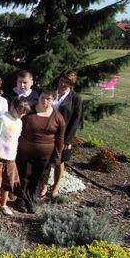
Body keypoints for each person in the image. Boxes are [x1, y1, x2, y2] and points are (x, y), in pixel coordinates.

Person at [16, 90, 65, 213]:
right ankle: (21, 199)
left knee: (38, 177)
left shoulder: (58, 117)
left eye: (48, 99)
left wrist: (57, 156)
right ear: (39, 97)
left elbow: (60, 139)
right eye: (43, 97)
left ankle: (31, 200)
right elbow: (17, 126)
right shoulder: (29, 111)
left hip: (45, 154)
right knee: (24, 175)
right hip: (25, 151)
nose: (45, 101)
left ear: (53, 100)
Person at [47, 70, 83, 199]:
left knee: (59, 161)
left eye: (67, 82)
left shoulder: (75, 98)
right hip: (47, 132)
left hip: (63, 135)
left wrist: (67, 140)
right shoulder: (51, 93)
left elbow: (76, 120)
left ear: (71, 84)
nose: (63, 84)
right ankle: (44, 184)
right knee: (46, 160)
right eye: (62, 80)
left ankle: (55, 187)